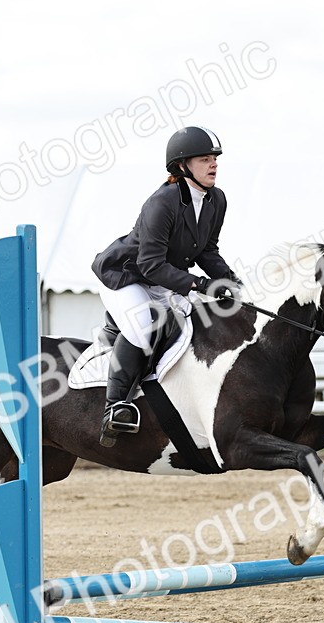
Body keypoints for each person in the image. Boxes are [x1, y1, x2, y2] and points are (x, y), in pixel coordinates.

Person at [90, 125, 242, 447]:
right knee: (144, 325)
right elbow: (149, 263)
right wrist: (198, 283)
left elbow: (206, 250)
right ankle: (114, 407)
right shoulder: (163, 202)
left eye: (215, 158)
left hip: (163, 279)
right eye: (204, 159)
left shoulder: (217, 200)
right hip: (127, 276)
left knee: (199, 321)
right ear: (183, 165)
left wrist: (229, 280)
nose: (213, 164)